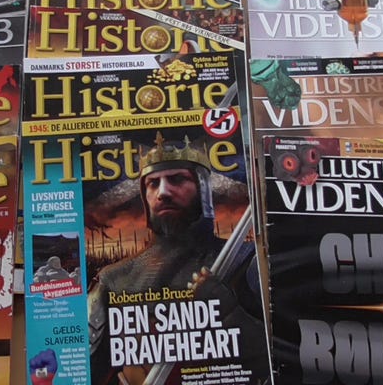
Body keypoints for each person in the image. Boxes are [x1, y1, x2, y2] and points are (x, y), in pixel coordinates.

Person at [88, 132, 270, 385]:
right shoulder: (114, 280)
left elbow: (279, 356)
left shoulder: (245, 260)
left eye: (177, 179)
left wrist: (231, 316)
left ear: (202, 187)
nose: (163, 192)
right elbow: (88, 372)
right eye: (153, 183)